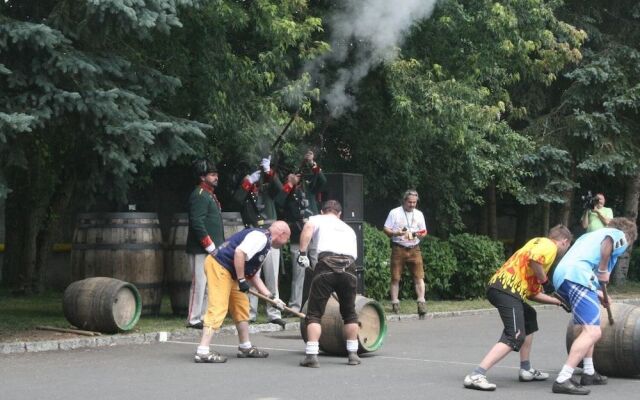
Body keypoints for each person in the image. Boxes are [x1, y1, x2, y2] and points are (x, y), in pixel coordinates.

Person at [463, 225, 573, 391]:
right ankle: (476, 375)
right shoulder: (549, 245)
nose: (566, 250)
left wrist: (557, 301)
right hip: (507, 290)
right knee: (515, 336)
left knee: (529, 315)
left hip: (504, 289)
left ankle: (526, 369)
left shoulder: (536, 245)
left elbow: (531, 293)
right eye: (568, 246)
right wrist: (546, 284)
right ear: (564, 241)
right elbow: (535, 260)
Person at [551, 217, 637, 395]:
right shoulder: (618, 235)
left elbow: (588, 258)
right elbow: (609, 243)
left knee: (587, 327)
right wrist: (603, 270)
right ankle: (563, 378)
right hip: (577, 277)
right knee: (593, 332)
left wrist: (598, 292)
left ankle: (589, 372)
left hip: (564, 277)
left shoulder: (590, 236)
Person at [193, 221, 290, 363]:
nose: (286, 243)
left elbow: (254, 275)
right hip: (220, 265)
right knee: (218, 307)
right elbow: (239, 252)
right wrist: (241, 280)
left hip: (231, 271)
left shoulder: (265, 244)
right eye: (287, 238)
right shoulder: (261, 237)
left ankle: (245, 346)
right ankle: (202, 351)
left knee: (242, 306)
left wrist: (271, 298)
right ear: (282, 234)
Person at [297, 200, 360, 368]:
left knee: (315, 313)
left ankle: (311, 355)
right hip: (349, 267)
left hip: (326, 264)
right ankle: (353, 353)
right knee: (350, 313)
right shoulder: (348, 228)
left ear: (323, 211)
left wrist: (302, 253)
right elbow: (355, 255)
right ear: (340, 214)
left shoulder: (317, 219)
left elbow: (307, 229)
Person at [235, 156, 286, 328]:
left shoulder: (267, 189)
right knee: (252, 276)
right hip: (253, 236)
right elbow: (237, 199)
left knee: (272, 276)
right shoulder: (245, 192)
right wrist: (248, 182)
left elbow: (280, 190)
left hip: (270, 235)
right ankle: (250, 313)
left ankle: (274, 312)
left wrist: (268, 171)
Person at [284, 150, 326, 312]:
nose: (299, 178)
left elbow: (322, 180)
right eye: (296, 176)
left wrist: (312, 163)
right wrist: (289, 184)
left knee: (319, 270)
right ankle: (295, 306)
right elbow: (280, 201)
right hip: (297, 236)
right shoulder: (287, 192)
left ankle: (321, 304)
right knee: (298, 274)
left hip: (314, 234)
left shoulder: (308, 188)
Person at [185, 159, 224, 329]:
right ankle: (193, 318)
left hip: (210, 248)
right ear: (203, 177)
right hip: (200, 248)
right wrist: (208, 244)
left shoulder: (209, 194)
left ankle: (202, 316)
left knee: (208, 284)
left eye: (216, 174)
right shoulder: (199, 195)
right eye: (212, 175)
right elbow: (197, 223)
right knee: (199, 283)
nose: (216, 177)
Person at [383, 189, 428, 317]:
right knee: (395, 277)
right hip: (398, 247)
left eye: (414, 202)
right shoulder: (394, 212)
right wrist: (395, 233)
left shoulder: (419, 214)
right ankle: (395, 303)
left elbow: (424, 231)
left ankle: (421, 303)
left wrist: (419, 234)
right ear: (404, 201)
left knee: (419, 276)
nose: (412, 205)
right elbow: (386, 229)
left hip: (414, 248)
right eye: (410, 202)